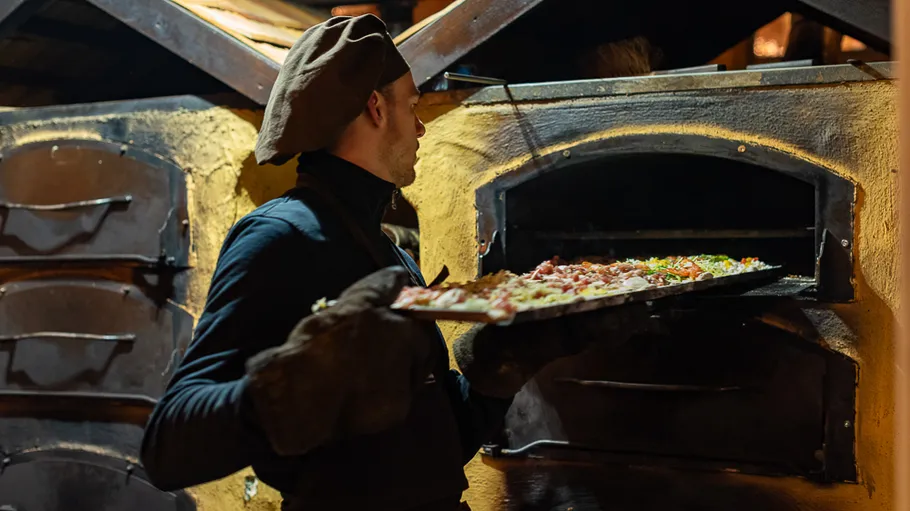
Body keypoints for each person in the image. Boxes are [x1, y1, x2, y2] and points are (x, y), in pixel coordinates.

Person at [139, 14, 643, 511]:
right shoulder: (278, 235)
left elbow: (431, 457)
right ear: (376, 107)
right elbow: (168, 448)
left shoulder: (387, 251)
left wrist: (501, 364)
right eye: (412, 105)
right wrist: (294, 382)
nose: (420, 127)